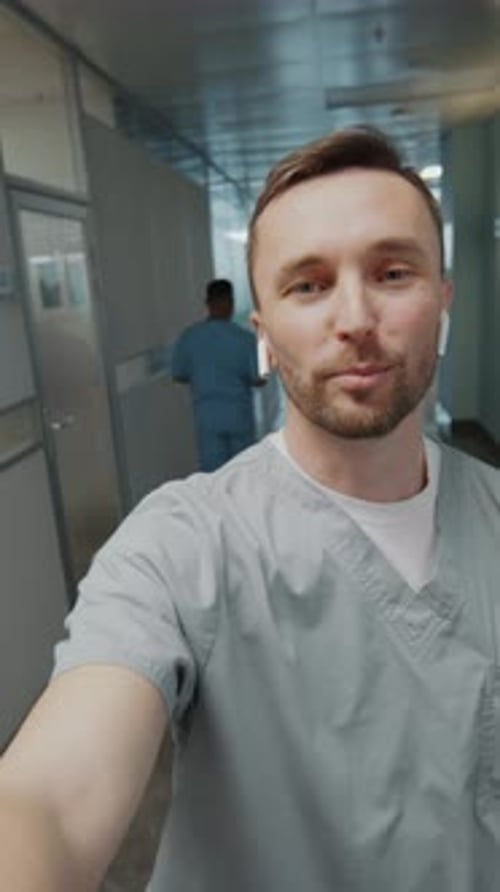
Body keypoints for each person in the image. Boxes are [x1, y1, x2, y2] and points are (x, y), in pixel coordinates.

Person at [0, 127, 499, 892]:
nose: (356, 316)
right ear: (262, 332)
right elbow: (48, 805)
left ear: (443, 298)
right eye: (308, 284)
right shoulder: (181, 545)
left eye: (393, 272)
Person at [171, 277, 261, 471]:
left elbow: (178, 373)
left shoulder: (190, 337)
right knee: (244, 473)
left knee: (213, 477)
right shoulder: (245, 339)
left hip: (207, 417)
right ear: (231, 303)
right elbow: (258, 379)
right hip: (239, 416)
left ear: (207, 303)